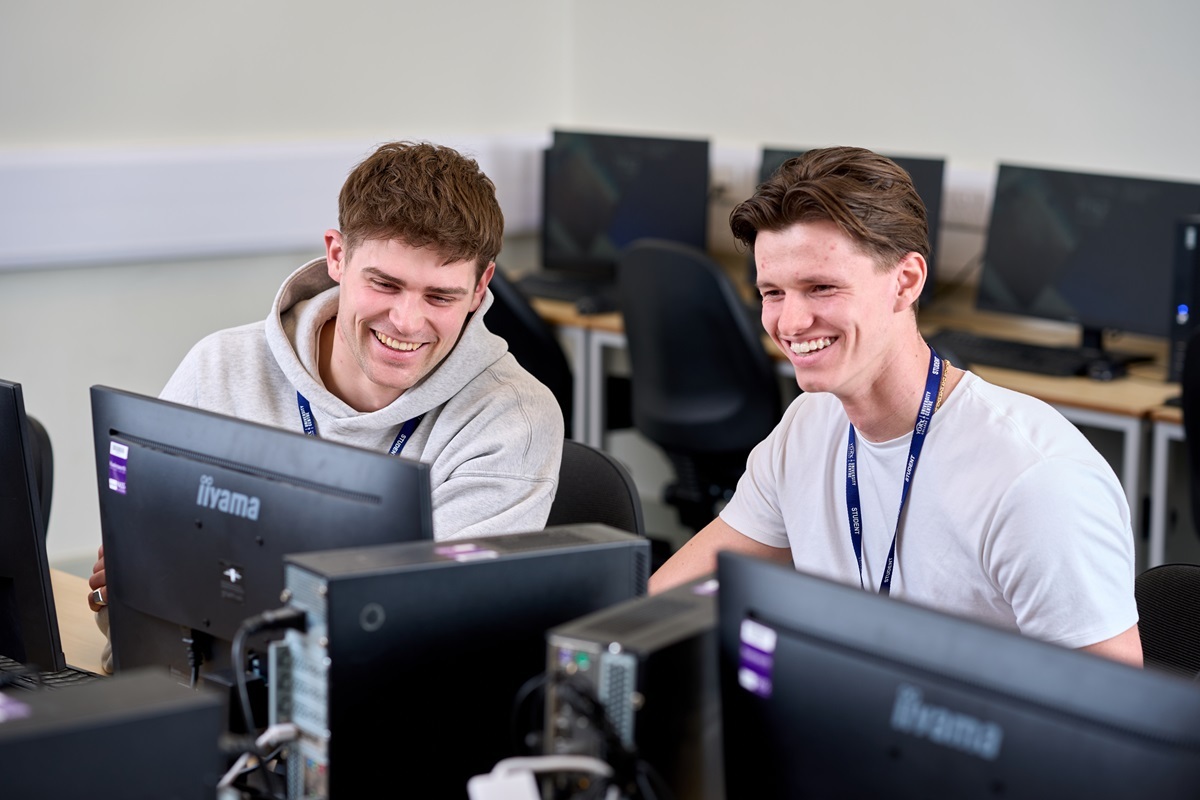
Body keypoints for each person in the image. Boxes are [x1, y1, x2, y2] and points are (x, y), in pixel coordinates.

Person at [648, 146, 1143, 667]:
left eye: (821, 288)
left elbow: (1114, 727)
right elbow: (661, 602)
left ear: (905, 282)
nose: (789, 324)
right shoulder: (807, 426)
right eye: (772, 293)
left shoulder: (1033, 480)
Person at [88, 140, 565, 644]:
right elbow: (128, 610)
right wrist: (119, 590)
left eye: (440, 296)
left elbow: (423, 633)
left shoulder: (513, 420)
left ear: (479, 287)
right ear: (337, 256)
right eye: (384, 284)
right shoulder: (221, 367)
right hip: (198, 689)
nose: (406, 321)